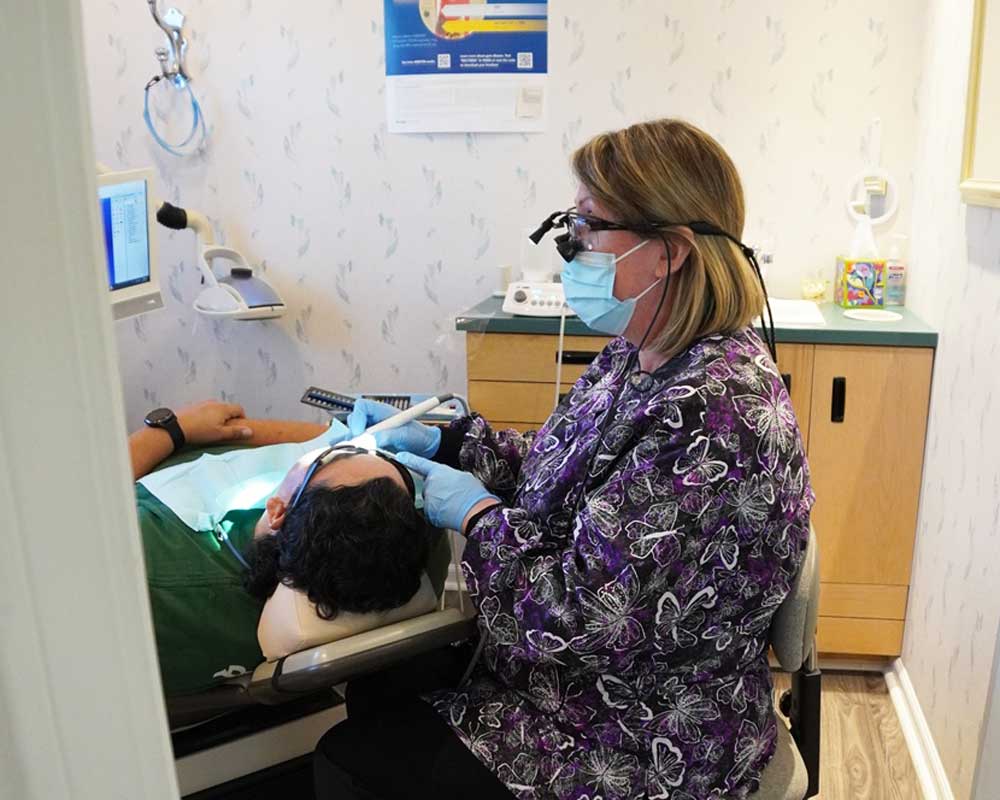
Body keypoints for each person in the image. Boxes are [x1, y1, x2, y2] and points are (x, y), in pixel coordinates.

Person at [315, 119, 814, 800]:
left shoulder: (715, 415)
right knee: (383, 684)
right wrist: (450, 441)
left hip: (643, 739)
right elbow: (566, 466)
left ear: (668, 251)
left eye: (588, 226)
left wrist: (481, 518)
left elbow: (578, 620)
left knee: (351, 758)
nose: (569, 248)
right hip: (585, 690)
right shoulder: (642, 352)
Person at [128, 401, 434, 696]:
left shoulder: (153, 569)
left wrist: (171, 430)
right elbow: (330, 438)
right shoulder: (373, 538)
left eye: (327, 457)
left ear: (276, 511)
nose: (328, 448)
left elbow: (86, 493)